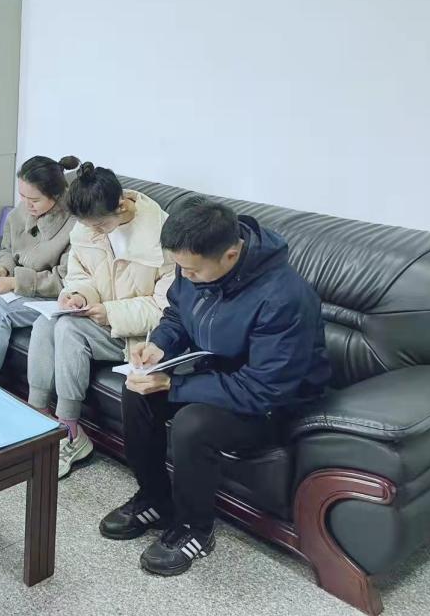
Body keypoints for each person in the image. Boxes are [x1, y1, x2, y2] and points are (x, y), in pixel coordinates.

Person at [99, 197, 330, 576]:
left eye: (192, 270)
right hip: (218, 376)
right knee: (136, 390)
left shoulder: (285, 297)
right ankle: (155, 498)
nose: (185, 275)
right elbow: (177, 314)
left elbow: (262, 388)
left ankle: (195, 528)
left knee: (193, 423)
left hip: (275, 403)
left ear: (231, 254)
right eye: (180, 268)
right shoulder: (193, 266)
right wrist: (160, 345)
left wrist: (172, 384)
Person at [27, 164, 174, 479]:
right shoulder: (87, 227)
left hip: (138, 338)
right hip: (99, 318)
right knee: (46, 323)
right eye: (87, 226)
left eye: (100, 225)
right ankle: (37, 415)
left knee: (67, 328)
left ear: (121, 205)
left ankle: (70, 432)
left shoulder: (162, 237)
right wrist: (78, 295)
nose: (93, 232)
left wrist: (110, 312)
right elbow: (79, 274)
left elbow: (165, 310)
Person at [0, 155, 79, 381]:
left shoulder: (74, 225)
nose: (26, 204)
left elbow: (64, 281)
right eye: (22, 196)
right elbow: (6, 249)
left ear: (56, 195)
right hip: (16, 288)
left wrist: (15, 282)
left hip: (49, 296)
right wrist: (3, 269)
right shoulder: (20, 213)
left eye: (34, 199)